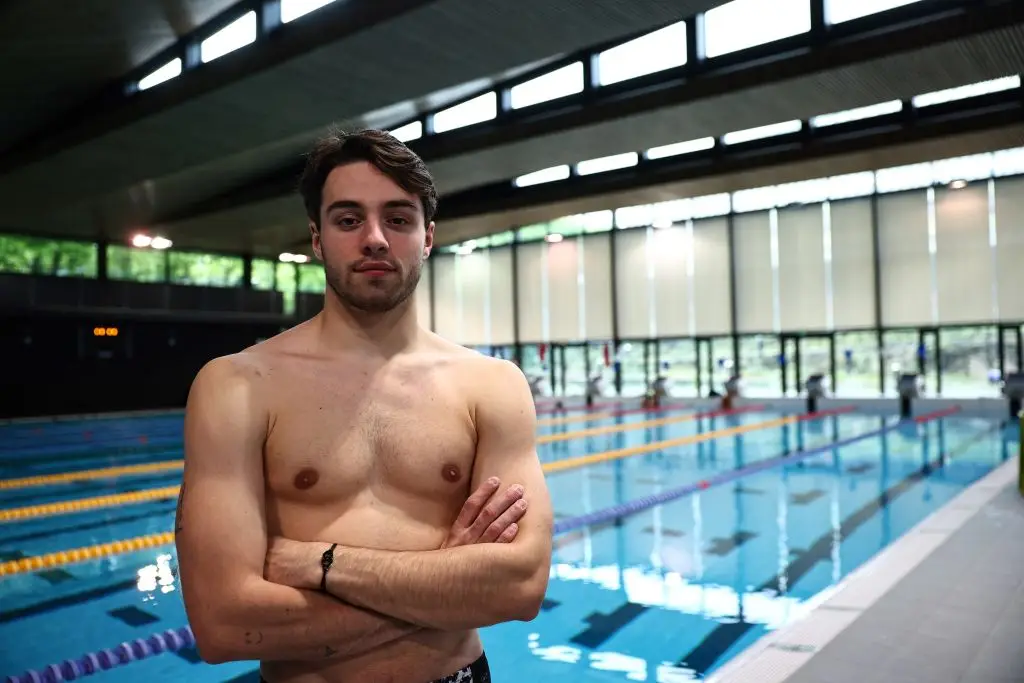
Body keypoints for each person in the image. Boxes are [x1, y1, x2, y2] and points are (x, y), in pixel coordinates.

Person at [174, 128, 554, 683]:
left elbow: (520, 587)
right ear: (317, 238)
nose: (374, 239)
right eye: (349, 219)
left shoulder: (492, 386)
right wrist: (445, 584)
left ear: (427, 237)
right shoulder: (237, 386)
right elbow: (224, 626)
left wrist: (320, 563)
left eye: (398, 219)